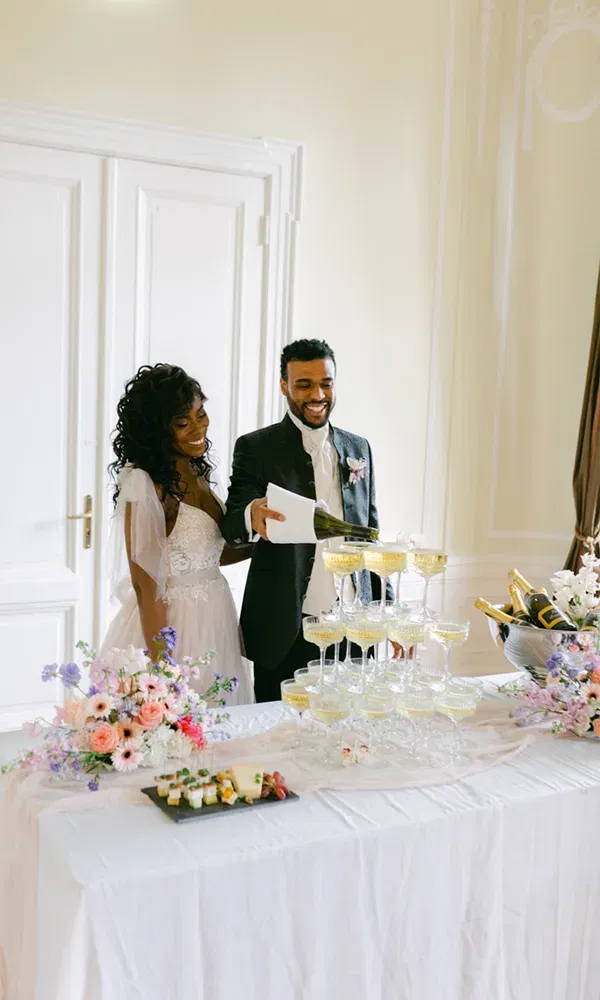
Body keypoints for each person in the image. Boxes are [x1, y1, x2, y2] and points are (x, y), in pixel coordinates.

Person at [222, 338, 392, 703]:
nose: (317, 395)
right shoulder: (256, 447)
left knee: (352, 725)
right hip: (286, 631)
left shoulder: (359, 448)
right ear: (283, 386)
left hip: (354, 627)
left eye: (326, 383)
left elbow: (370, 535)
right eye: (304, 385)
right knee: (281, 730)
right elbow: (232, 524)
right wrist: (252, 514)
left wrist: (387, 611)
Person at [100, 364, 254, 704]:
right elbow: (145, 587)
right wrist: (163, 671)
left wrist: (264, 540)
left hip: (217, 613)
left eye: (201, 414)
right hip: (176, 623)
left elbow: (212, 552)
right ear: (157, 431)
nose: (199, 428)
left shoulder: (195, 469)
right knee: (184, 715)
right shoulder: (147, 486)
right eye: (183, 423)